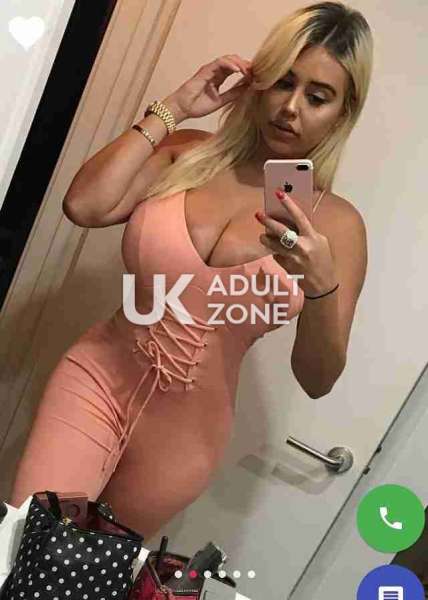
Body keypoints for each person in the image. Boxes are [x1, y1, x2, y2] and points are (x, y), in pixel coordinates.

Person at [10, 1, 372, 539]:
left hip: (184, 436)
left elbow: (318, 379)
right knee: (30, 543)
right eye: (282, 82)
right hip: (97, 379)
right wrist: (175, 107)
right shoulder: (188, 154)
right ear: (259, 82)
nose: (291, 107)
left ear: (342, 113)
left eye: (317, 97)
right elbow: (84, 206)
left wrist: (320, 287)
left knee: (92, 574)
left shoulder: (338, 227)